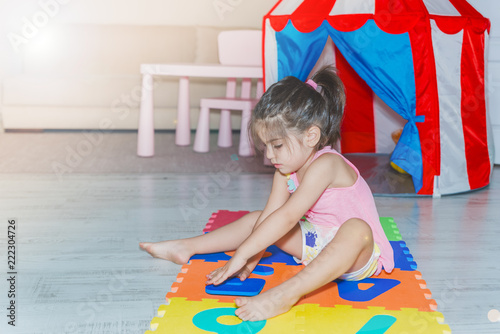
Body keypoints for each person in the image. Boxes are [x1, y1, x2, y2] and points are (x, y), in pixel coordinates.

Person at [139, 65, 394, 322]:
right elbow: (272, 217)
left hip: (356, 256)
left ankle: (284, 295)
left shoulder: (327, 164)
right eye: (266, 146)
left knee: (356, 228)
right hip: (317, 243)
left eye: (277, 145)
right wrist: (253, 254)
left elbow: (288, 217)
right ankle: (186, 246)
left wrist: (242, 254)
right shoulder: (285, 171)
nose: (270, 155)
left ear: (311, 136)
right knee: (258, 218)